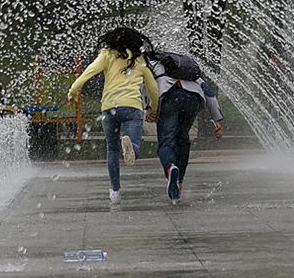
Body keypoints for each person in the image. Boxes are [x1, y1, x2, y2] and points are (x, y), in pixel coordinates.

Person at [68, 27, 160, 205]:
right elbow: (153, 89)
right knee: (134, 149)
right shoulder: (140, 60)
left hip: (110, 108)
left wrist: (73, 91)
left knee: (112, 149)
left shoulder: (107, 54)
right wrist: (153, 108)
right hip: (133, 108)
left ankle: (115, 191)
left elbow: (88, 72)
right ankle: (130, 146)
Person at [145, 50, 224, 204]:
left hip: (169, 97)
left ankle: (171, 168)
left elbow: (147, 85)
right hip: (193, 99)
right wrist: (217, 120)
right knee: (182, 139)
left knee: (166, 142)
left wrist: (149, 108)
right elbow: (208, 91)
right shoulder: (187, 69)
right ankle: (179, 181)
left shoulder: (152, 64)